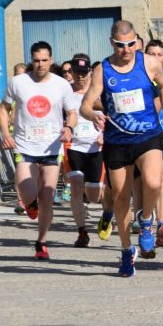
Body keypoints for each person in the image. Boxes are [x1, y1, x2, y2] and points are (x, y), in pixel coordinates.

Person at [81, 20, 163, 277]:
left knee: (154, 183)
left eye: (131, 44)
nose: (126, 49)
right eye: (121, 45)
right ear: (113, 43)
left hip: (148, 136)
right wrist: (93, 115)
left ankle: (147, 222)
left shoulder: (149, 63)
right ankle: (126, 251)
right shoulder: (103, 69)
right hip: (117, 141)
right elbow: (85, 104)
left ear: (137, 41)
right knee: (122, 197)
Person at [0, 41, 78, 259]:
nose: (40, 64)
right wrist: (6, 134)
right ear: (31, 60)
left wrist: (69, 128)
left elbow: (72, 113)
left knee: (47, 195)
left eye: (44, 60)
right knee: (27, 191)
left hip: (52, 147)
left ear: (51, 60)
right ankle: (29, 203)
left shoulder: (61, 84)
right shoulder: (18, 82)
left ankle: (41, 242)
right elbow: (4, 109)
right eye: (36, 60)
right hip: (25, 145)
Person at [63, 54, 105, 248]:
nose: (80, 76)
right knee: (76, 185)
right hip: (74, 146)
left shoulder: (99, 93)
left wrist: (104, 134)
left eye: (83, 72)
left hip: (96, 147)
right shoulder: (65, 93)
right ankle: (82, 232)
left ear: (90, 72)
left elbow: (111, 116)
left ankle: (108, 210)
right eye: (76, 72)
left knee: (95, 195)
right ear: (71, 72)